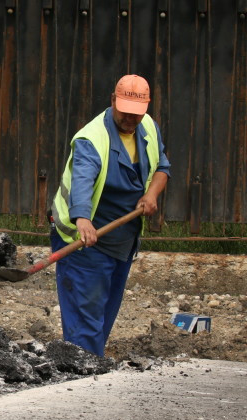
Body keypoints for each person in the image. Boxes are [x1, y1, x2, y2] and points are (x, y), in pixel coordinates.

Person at [50, 74, 171, 356]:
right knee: (85, 319)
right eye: (125, 111)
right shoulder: (92, 138)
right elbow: (82, 179)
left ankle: (92, 364)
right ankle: (83, 371)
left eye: (136, 113)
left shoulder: (148, 127)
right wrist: (82, 219)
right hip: (85, 241)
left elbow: (162, 168)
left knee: (104, 315)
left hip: (122, 238)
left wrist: (151, 195)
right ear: (113, 101)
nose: (130, 118)